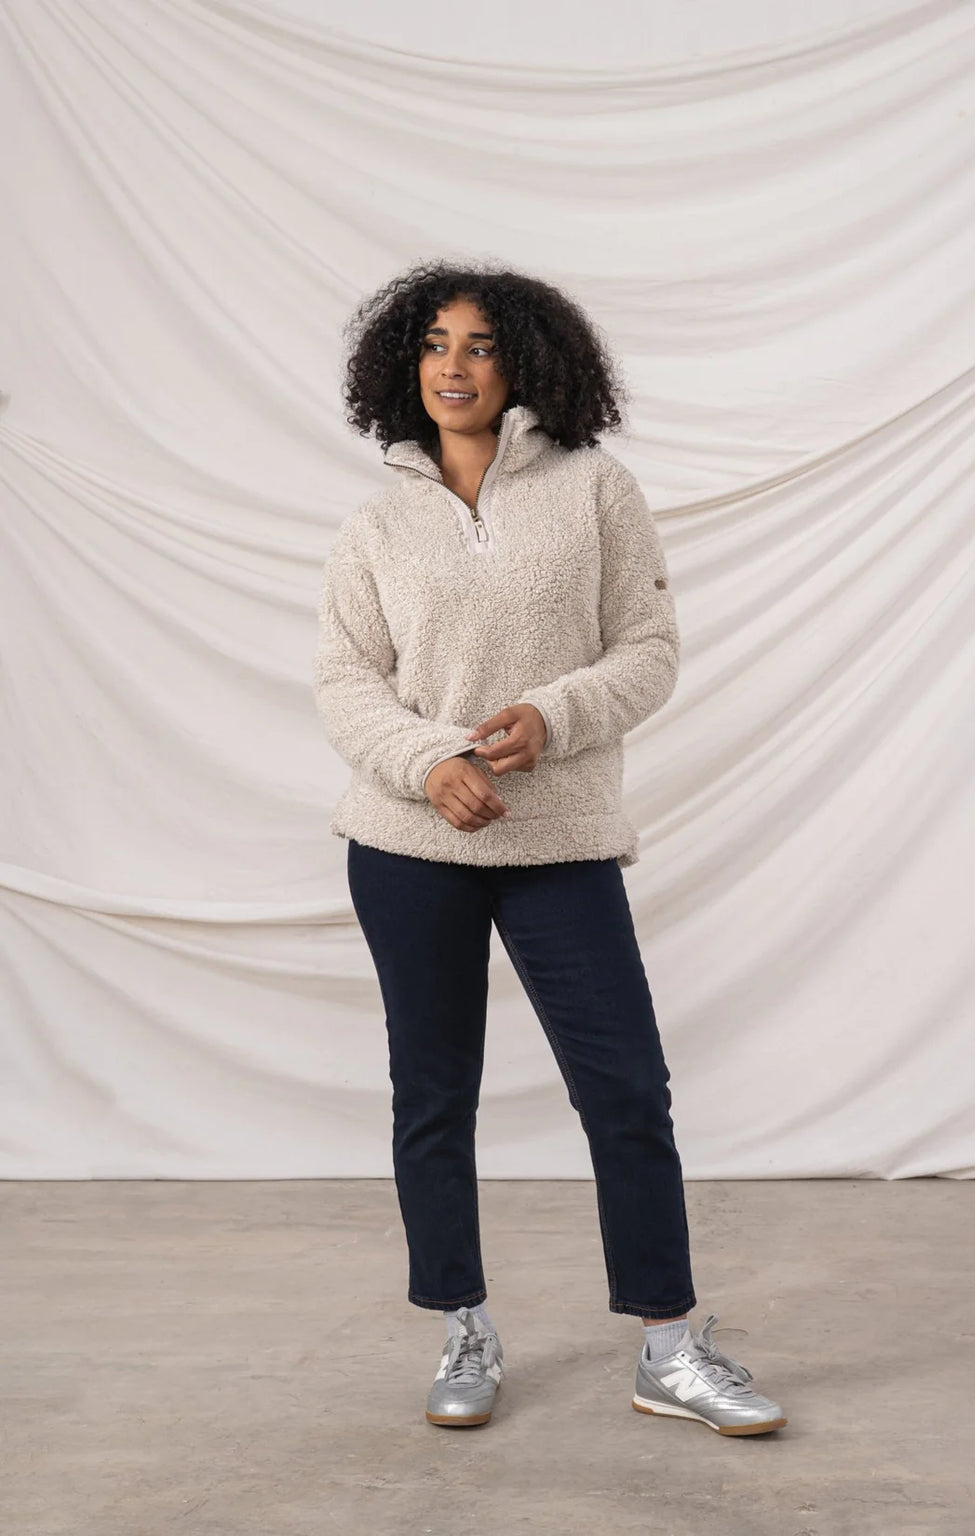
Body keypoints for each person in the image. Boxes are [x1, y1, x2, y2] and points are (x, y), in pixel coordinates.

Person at [314, 260, 787, 1436]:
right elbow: (341, 680)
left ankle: (669, 1345)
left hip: (561, 836)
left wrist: (554, 716)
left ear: (523, 362)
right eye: (434, 345)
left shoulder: (593, 490)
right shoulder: (374, 522)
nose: (454, 368)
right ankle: (460, 1325)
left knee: (624, 1088)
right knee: (433, 1093)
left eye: (479, 346)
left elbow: (648, 647)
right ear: (402, 366)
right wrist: (433, 761)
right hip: (407, 843)